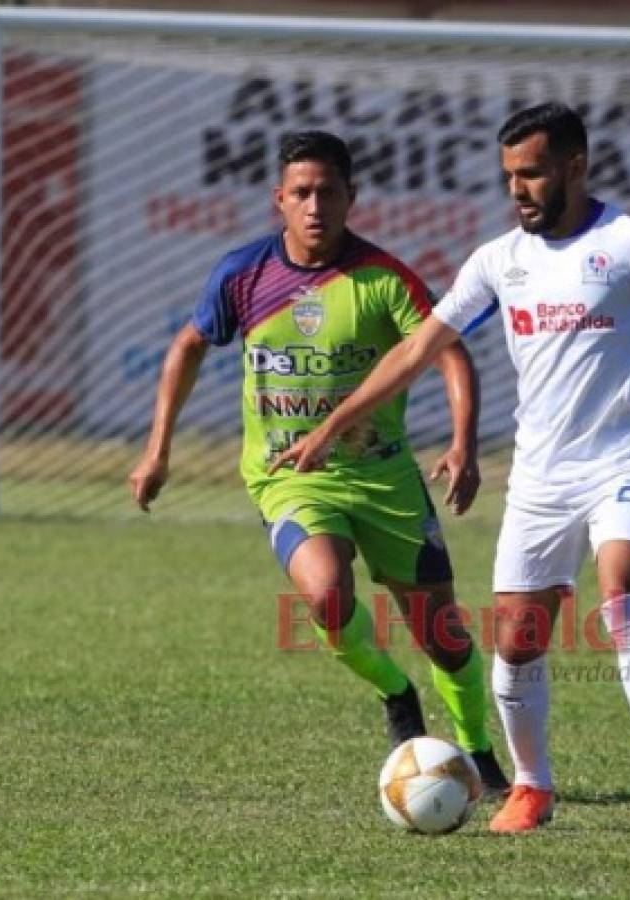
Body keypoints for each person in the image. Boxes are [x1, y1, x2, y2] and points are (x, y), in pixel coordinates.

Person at [268, 103, 630, 834]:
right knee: (516, 642)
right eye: (509, 177)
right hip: (539, 477)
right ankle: (531, 787)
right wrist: (335, 423)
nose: (518, 189)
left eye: (532, 173)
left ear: (576, 167)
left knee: (621, 597)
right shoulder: (499, 260)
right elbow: (416, 349)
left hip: (626, 459)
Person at [127, 130, 509, 796]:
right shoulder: (243, 274)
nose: (314, 206)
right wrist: (158, 449)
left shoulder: (382, 278)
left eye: (327, 192)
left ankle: (477, 751)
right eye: (300, 192)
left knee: (443, 635)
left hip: (384, 476)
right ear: (279, 199)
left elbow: (446, 351)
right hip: (290, 479)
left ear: (350, 197)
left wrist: (462, 441)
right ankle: (395, 695)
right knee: (328, 595)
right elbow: (189, 346)